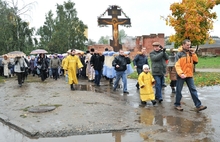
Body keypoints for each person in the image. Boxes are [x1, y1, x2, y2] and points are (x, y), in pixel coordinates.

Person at [174, 39, 207, 111]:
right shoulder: (179, 54)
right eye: (187, 45)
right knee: (179, 91)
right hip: (181, 75)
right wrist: (181, 73)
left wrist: (194, 53)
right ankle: (177, 104)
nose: (189, 46)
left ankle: (198, 105)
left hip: (189, 75)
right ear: (183, 45)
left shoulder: (191, 53)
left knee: (193, 90)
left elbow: (196, 61)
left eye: (189, 45)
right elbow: (177, 65)